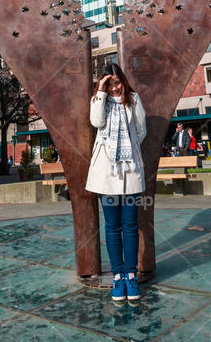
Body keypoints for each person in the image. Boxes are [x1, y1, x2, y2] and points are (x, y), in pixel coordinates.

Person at [86, 63, 146, 303]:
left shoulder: (133, 99)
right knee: (112, 226)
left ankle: (131, 274)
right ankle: (118, 276)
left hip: (130, 170)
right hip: (106, 173)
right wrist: (99, 91)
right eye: (108, 84)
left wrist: (127, 151)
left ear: (123, 80)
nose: (113, 88)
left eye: (116, 82)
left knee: (130, 225)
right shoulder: (98, 100)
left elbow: (141, 130)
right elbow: (96, 122)